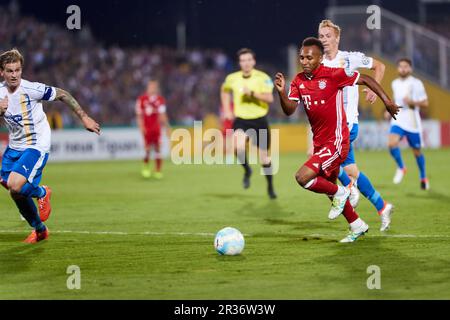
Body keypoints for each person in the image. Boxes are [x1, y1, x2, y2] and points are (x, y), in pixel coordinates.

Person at [274, 38, 400, 242]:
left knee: (302, 177)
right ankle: (357, 225)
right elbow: (289, 110)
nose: (304, 61)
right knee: (327, 187)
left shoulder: (333, 75)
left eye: (309, 57)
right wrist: (281, 93)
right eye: (301, 57)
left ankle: (344, 191)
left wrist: (387, 102)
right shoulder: (298, 80)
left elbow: (366, 79)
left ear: (320, 58)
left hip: (337, 141)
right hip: (320, 143)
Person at [0, 49, 100, 243]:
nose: (14, 75)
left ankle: (42, 192)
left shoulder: (31, 89)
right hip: (15, 145)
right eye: (10, 71)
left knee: (15, 186)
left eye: (18, 70)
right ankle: (40, 230)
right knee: (15, 192)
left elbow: (63, 94)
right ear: (1, 72)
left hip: (36, 143)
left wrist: (84, 118)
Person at [318, 19, 394, 231]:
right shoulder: (318, 63)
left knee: (324, 164)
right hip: (330, 126)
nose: (324, 40)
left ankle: (350, 190)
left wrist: (373, 89)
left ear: (337, 38)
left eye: (328, 36)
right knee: (351, 170)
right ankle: (382, 206)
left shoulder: (350, 58)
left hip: (347, 124)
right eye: (321, 36)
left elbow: (380, 66)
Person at [221, 48, 277, 199]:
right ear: (239, 63)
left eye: (248, 60)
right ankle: (247, 171)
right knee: (237, 147)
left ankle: (270, 186)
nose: (246, 63)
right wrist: (227, 109)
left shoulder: (262, 77)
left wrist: (251, 93)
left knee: (264, 159)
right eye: (243, 60)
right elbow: (225, 91)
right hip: (241, 120)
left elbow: (270, 98)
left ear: (253, 61)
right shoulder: (232, 78)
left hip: (260, 120)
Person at [388, 58, 429, 190]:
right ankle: (401, 167)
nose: (403, 69)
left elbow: (425, 103)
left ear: (410, 69)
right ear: (397, 69)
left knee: (417, 152)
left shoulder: (417, 83)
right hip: (398, 118)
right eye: (401, 67)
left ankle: (423, 177)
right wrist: (389, 110)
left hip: (412, 121)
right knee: (391, 143)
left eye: (406, 67)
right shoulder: (394, 83)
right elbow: (396, 99)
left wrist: (412, 102)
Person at [135, 80, 170, 179]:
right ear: (148, 87)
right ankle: (146, 167)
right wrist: (141, 127)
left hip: (157, 128)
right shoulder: (141, 99)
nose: (152, 88)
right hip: (147, 128)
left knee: (158, 148)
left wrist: (167, 127)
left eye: (154, 87)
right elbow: (139, 116)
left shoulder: (160, 100)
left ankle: (158, 170)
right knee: (147, 149)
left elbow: (163, 115)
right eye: (151, 86)